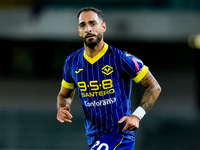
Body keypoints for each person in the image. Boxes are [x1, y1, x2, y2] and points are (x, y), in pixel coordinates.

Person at [56, 7, 161, 150]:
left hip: (119, 133)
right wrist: (62, 108)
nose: (88, 29)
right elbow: (64, 95)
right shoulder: (72, 62)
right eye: (83, 25)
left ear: (103, 27)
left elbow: (154, 86)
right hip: (93, 136)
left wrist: (136, 116)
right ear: (79, 30)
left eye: (93, 23)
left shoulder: (121, 59)